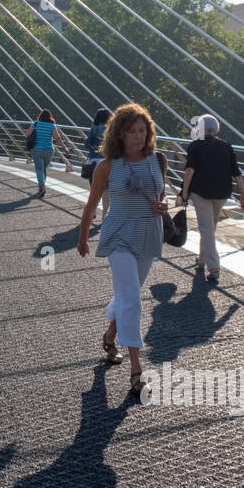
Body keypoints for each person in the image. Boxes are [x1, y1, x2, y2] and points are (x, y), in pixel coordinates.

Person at [77, 103, 168, 391]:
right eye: (131, 132)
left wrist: (163, 206)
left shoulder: (158, 160)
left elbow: (161, 195)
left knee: (129, 295)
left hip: (149, 232)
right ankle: (137, 370)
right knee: (133, 300)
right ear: (119, 135)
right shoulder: (106, 167)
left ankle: (110, 334)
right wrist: (82, 238)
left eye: (143, 131)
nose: (138, 137)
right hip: (118, 233)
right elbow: (92, 204)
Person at [178, 114, 244, 283]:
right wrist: (243, 195)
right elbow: (237, 173)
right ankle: (202, 259)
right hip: (222, 192)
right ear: (216, 130)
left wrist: (184, 192)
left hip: (200, 191)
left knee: (206, 229)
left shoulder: (195, 146)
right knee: (210, 228)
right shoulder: (226, 146)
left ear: (200, 129)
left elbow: (190, 171)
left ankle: (214, 266)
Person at [24, 109, 63, 198]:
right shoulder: (52, 125)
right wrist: (65, 148)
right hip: (49, 150)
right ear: (50, 117)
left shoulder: (35, 124)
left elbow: (28, 134)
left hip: (37, 149)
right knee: (44, 169)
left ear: (40, 116)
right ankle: (41, 188)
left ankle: (42, 186)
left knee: (39, 169)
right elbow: (57, 138)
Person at [83, 108, 112, 219]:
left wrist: (94, 148)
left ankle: (92, 210)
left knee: (94, 189)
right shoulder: (111, 129)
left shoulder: (94, 129)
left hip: (94, 162)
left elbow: (87, 144)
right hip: (106, 162)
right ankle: (105, 215)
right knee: (106, 190)